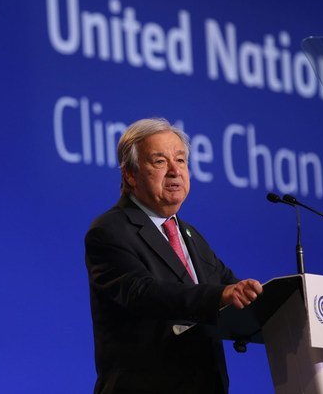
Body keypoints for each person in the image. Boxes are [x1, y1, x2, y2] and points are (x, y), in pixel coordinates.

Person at [85, 118, 263, 394]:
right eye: (159, 162)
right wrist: (219, 296)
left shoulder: (190, 235)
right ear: (130, 174)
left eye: (180, 161)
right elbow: (142, 292)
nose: (174, 171)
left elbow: (232, 288)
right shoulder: (110, 230)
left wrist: (271, 304)